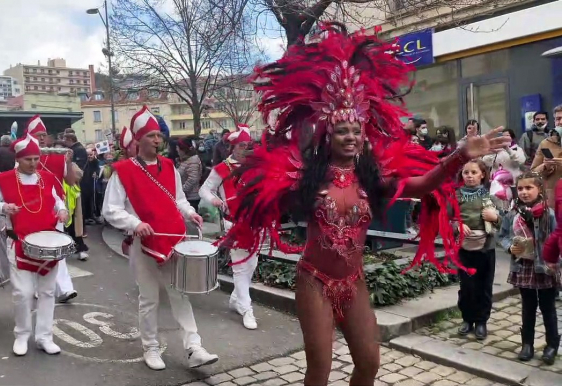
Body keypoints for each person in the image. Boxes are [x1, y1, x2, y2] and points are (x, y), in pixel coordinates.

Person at [219, 23, 509, 386]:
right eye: (343, 131)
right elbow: (261, 200)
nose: (352, 137)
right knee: (319, 370)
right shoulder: (306, 177)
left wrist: (458, 156)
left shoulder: (373, 178)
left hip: (353, 282)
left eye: (357, 131)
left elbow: (421, 186)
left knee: (369, 364)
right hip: (315, 282)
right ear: (329, 134)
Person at [103, 105, 218, 371]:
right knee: (149, 298)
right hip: (142, 243)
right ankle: (151, 347)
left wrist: (190, 212)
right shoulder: (123, 171)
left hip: (172, 239)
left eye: (159, 135)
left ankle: (194, 347)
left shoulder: (169, 166)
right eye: (151, 135)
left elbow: (177, 198)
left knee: (180, 294)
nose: (157, 140)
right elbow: (110, 209)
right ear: (138, 139)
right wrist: (135, 223)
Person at [0, 134, 69, 356]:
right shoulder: (5, 180)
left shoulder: (46, 178)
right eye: (29, 159)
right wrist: (2, 208)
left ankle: (45, 337)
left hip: (48, 243)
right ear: (18, 159)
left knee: (47, 292)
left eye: (36, 158)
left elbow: (57, 200)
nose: (34, 163)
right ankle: (22, 335)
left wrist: (62, 210)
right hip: (19, 244)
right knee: (23, 293)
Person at [199, 124, 257, 330]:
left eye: (248, 145)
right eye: (242, 145)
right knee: (241, 266)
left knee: (251, 264)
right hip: (233, 221)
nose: (246, 149)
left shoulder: (255, 165)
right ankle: (246, 308)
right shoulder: (222, 168)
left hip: (255, 221)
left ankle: (235, 298)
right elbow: (204, 190)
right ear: (233, 147)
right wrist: (214, 200)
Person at [500, 171, 559, 365]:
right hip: (523, 266)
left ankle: (552, 345)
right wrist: (510, 246)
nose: (524, 192)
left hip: (545, 267)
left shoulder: (550, 213)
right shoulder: (512, 214)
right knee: (528, 306)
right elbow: (503, 235)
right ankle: (527, 344)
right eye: (520, 188)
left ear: (539, 189)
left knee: (547, 307)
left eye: (529, 188)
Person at [25, 115, 77, 303]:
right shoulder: (24, 159)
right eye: (37, 135)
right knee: (36, 249)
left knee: (58, 249)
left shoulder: (57, 156)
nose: (41, 138)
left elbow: (71, 182)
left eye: (43, 135)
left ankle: (64, 289)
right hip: (32, 209)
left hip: (56, 209)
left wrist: (69, 161)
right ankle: (38, 287)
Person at [454, 160, 501, 340]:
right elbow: (447, 218)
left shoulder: (491, 195)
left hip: (486, 248)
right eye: (466, 173)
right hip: (464, 248)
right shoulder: (456, 196)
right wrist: (457, 225)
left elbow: (505, 220)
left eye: (474, 172)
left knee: (484, 286)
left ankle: (481, 321)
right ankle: (467, 319)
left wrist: (495, 217)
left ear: (482, 174)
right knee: (466, 286)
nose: (470, 176)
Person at [483, 129, 526, 212]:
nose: (505, 138)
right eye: (503, 136)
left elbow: (521, 160)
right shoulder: (496, 150)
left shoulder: (517, 149)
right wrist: (493, 152)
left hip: (513, 183)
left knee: (514, 206)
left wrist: (508, 150)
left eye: (507, 136)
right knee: (497, 207)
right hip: (497, 184)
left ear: (512, 138)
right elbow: (486, 162)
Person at [531, 123, 562, 207]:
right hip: (552, 198)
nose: (561, 122)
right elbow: (533, 172)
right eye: (558, 118)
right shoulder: (545, 143)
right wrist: (545, 166)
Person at [177, 137, 202, 212]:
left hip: (191, 198)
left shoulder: (192, 161)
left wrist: (181, 190)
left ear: (183, 149)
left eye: (177, 148)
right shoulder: (186, 160)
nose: (176, 150)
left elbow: (193, 179)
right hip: (187, 197)